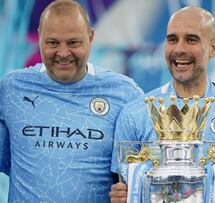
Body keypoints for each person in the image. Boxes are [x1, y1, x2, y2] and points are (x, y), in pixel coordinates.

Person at [109, 6, 215, 203]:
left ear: (213, 48)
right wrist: (118, 195)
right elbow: (119, 183)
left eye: (191, 39)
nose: (179, 49)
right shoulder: (134, 112)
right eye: (172, 39)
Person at [0, 0, 143, 202]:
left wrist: (133, 192)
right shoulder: (11, 89)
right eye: (53, 43)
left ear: (91, 37)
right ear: (40, 38)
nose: (63, 53)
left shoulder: (124, 93)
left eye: (73, 42)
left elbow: (142, 171)